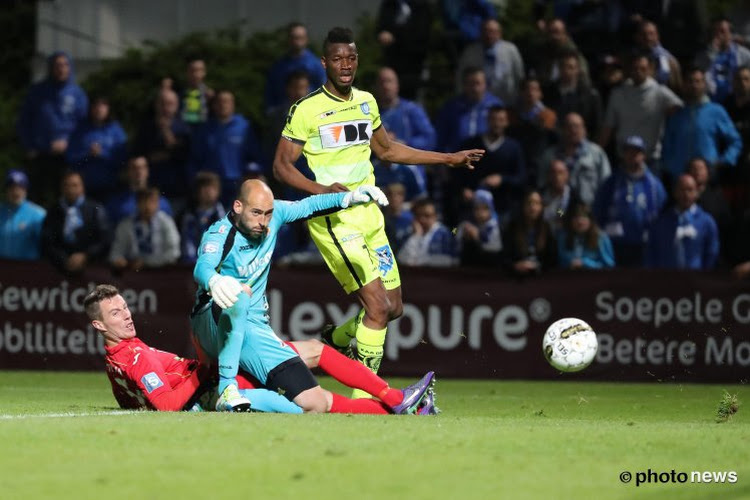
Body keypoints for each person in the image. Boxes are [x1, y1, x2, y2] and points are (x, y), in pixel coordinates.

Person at [272, 27, 483, 397]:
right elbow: (282, 167)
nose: (345, 65)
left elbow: (387, 150)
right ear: (324, 63)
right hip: (335, 219)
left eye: (351, 58)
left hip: (371, 215)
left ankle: (332, 341)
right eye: (337, 58)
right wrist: (323, 193)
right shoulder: (306, 109)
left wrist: (447, 158)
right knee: (378, 308)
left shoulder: (367, 101)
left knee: (395, 307)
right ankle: (366, 398)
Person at [191, 179, 436, 415]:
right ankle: (224, 390)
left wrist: (349, 198)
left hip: (254, 332)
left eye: (267, 213)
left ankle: (403, 405)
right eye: (256, 213)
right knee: (239, 295)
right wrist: (215, 280)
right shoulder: (220, 234)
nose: (263, 221)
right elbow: (202, 268)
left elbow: (309, 206)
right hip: (215, 323)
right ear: (237, 206)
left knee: (316, 390)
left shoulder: (274, 216)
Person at [85, 284, 437, 414]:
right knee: (314, 400)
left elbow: (130, 397)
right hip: (219, 387)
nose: (127, 316)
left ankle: (395, 401)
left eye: (125, 307)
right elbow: (164, 406)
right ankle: (395, 403)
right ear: (99, 325)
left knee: (311, 351)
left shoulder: (119, 356)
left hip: (215, 381)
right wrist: (213, 371)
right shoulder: (136, 356)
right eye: (115, 313)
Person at [16, 51, 89, 202]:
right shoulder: (37, 92)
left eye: (65, 65)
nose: (61, 69)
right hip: (40, 154)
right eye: (57, 65)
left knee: (66, 197)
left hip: (68, 156)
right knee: (37, 196)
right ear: (50, 68)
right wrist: (30, 146)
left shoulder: (78, 94)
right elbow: (24, 121)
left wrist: (69, 143)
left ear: (70, 68)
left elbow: (84, 126)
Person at [593, 135, 666, 267]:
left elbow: (661, 211)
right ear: (623, 154)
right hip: (616, 243)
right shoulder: (612, 182)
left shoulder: (654, 184)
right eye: (629, 151)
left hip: (644, 243)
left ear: (643, 155)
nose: (632, 155)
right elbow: (599, 208)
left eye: (637, 151)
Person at [598, 53, 682, 165]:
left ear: (650, 70)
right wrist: (597, 150)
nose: (638, 71)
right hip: (623, 157)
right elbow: (608, 127)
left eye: (643, 68)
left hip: (650, 158)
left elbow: (680, 108)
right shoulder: (618, 94)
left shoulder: (660, 92)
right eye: (635, 68)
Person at [661, 68, 742, 185]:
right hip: (679, 181)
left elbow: (735, 141)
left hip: (707, 179)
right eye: (690, 81)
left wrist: (724, 161)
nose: (694, 85)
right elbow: (667, 144)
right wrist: (671, 166)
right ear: (684, 84)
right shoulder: (677, 114)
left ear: (704, 84)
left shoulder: (716, 111)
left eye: (698, 81)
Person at [189, 90, 265, 207]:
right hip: (211, 186)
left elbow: (255, 156)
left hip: (237, 183)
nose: (223, 105)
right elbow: (195, 157)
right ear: (214, 105)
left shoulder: (244, 127)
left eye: (227, 102)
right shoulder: (205, 129)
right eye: (219, 102)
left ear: (233, 104)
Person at [451, 104, 525, 223]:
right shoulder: (471, 145)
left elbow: (521, 177)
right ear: (487, 121)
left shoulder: (514, 148)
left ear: (507, 122)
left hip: (502, 210)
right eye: (493, 119)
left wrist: (502, 179)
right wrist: (463, 190)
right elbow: (456, 173)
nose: (497, 124)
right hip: (473, 209)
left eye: (501, 120)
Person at [41, 171, 110, 274]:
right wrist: (63, 259)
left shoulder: (95, 209)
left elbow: (105, 239)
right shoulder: (54, 211)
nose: (71, 189)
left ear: (82, 187)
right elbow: (47, 241)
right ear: (61, 188)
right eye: (66, 185)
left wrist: (86, 255)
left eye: (75, 185)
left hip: (92, 269)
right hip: (60, 270)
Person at [646, 174, 719, 270]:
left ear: (696, 193)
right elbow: (651, 252)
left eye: (690, 190)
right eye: (682, 190)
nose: (686, 194)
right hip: (666, 278)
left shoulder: (707, 222)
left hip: (695, 279)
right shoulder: (661, 222)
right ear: (675, 192)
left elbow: (711, 252)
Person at [539, 112, 610, 206]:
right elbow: (541, 184)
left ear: (584, 129)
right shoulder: (549, 155)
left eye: (577, 126)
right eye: (569, 126)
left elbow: (607, 185)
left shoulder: (596, 154)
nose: (573, 130)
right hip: (560, 208)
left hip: (587, 211)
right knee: (560, 215)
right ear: (562, 129)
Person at [64, 96, 128, 200]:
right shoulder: (80, 130)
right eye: (96, 105)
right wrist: (88, 154)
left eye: (103, 105)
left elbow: (123, 160)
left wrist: (102, 154)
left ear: (108, 108)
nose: (99, 109)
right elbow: (70, 157)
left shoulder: (116, 130)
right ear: (90, 108)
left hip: (110, 187)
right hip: (85, 187)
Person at [133, 87, 191, 200]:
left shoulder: (184, 128)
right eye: (162, 103)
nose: (165, 108)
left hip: (177, 188)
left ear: (176, 106)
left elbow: (185, 154)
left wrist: (166, 132)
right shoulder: (146, 128)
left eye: (170, 104)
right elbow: (138, 153)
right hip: (151, 188)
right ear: (156, 105)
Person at [109, 187, 181, 271]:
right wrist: (118, 260)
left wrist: (147, 263)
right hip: (133, 272)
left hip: (162, 273)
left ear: (158, 203)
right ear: (137, 203)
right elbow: (115, 253)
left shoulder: (166, 222)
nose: (148, 206)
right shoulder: (126, 225)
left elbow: (174, 253)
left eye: (152, 201)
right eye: (144, 201)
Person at [456, 19, 525, 106]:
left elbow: (519, 75)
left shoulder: (510, 50)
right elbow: (460, 76)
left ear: (500, 33)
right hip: (477, 103)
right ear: (481, 33)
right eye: (486, 31)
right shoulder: (470, 52)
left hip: (507, 102)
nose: (489, 35)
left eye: (493, 31)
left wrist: (521, 99)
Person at [436, 66, 503, 153]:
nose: (475, 88)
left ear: (485, 84)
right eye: (470, 84)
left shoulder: (495, 105)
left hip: (488, 158)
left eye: (478, 83)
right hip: (458, 157)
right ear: (464, 85)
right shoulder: (452, 107)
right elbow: (440, 135)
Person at [375, 0, 434, 100]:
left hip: (414, 65)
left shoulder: (421, 6)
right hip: (392, 62)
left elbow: (420, 34)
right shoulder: (389, 5)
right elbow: (380, 29)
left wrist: (394, 36)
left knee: (413, 98)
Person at [264, 22, 326, 113]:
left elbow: (324, 91)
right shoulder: (279, 66)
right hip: (283, 115)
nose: (297, 42)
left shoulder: (316, 65)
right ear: (288, 39)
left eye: (301, 38)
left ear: (306, 39)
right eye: (294, 38)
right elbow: (270, 91)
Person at [544, 49, 602, 138]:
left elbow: (597, 125)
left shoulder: (590, 95)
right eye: (562, 66)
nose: (566, 71)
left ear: (578, 69)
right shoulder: (548, 93)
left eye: (571, 67)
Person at [503, 189, 557, 276]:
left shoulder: (547, 228)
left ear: (541, 206)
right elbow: (505, 258)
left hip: (542, 278)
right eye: (529, 203)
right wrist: (515, 265)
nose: (532, 207)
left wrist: (538, 266)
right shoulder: (512, 227)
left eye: (536, 203)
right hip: (517, 278)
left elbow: (552, 259)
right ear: (523, 206)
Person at [105, 156, 173, 225]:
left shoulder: (162, 203)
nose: (139, 171)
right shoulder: (116, 203)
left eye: (143, 167)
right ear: (127, 171)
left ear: (148, 171)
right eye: (134, 168)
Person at [695, 18, 750, 103]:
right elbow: (699, 76)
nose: (718, 35)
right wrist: (712, 55)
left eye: (722, 31)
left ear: (730, 34)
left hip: (737, 101)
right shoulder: (703, 56)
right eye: (715, 31)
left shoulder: (744, 55)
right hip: (711, 100)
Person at [179, 171, 226, 264]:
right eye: (204, 187)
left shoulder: (223, 216)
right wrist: (194, 261)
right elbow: (187, 242)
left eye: (212, 187)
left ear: (218, 191)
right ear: (197, 191)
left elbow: (225, 241)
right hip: (193, 265)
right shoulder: (190, 216)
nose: (208, 191)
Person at [398, 197, 458, 267]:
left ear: (435, 216)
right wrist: (416, 236)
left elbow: (446, 261)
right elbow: (402, 260)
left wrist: (417, 261)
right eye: (418, 215)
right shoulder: (408, 233)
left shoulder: (444, 234)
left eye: (427, 216)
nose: (422, 219)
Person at [0, 169, 46, 261]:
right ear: (6, 190)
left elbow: (46, 245)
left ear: (26, 189)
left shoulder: (38, 214)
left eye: (20, 187)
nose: (16, 192)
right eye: (12, 187)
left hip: (28, 268)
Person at [556, 202, 614, 270]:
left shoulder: (601, 237)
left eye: (584, 216)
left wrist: (586, 263)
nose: (580, 221)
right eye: (576, 217)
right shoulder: (562, 237)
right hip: (567, 278)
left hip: (594, 278)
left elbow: (609, 265)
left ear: (591, 220)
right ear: (570, 220)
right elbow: (559, 261)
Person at [456, 189, 502, 267]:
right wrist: (460, 232)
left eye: (484, 208)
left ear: (491, 209)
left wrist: (478, 237)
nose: (480, 212)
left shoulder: (495, 226)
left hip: (488, 268)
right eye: (477, 208)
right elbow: (453, 231)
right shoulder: (466, 222)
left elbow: (495, 250)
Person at [635, 20, 682, 92]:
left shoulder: (669, 60)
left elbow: (676, 85)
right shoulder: (632, 59)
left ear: (657, 36)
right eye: (644, 34)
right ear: (638, 37)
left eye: (651, 34)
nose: (648, 38)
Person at [179, 57, 214, 128]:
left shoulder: (210, 94)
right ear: (187, 72)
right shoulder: (178, 93)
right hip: (183, 133)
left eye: (199, 70)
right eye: (192, 70)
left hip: (203, 133)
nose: (196, 74)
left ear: (204, 72)